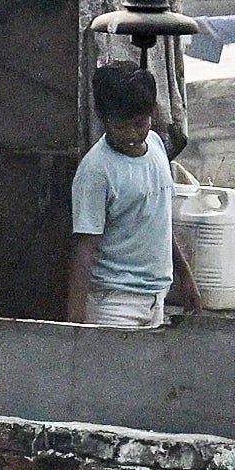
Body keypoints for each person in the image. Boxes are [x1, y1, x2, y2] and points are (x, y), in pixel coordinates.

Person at [67, 57, 179, 331]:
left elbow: (159, 221)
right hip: (113, 303)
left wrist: (185, 278)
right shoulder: (96, 171)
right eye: (120, 126)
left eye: (139, 124)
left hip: (156, 297)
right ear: (104, 120)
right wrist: (73, 327)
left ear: (152, 114)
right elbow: (85, 249)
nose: (132, 134)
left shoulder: (155, 144)